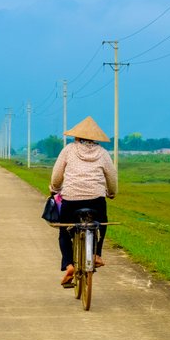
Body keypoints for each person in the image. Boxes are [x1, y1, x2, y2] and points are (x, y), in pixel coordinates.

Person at [49, 116, 117, 286]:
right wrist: (112, 192)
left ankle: (69, 264)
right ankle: (96, 254)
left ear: (77, 137)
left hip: (71, 200)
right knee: (101, 224)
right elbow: (112, 176)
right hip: (96, 200)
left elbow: (57, 175)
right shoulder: (102, 153)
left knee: (64, 231)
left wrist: (55, 188)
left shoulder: (68, 150)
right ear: (94, 138)